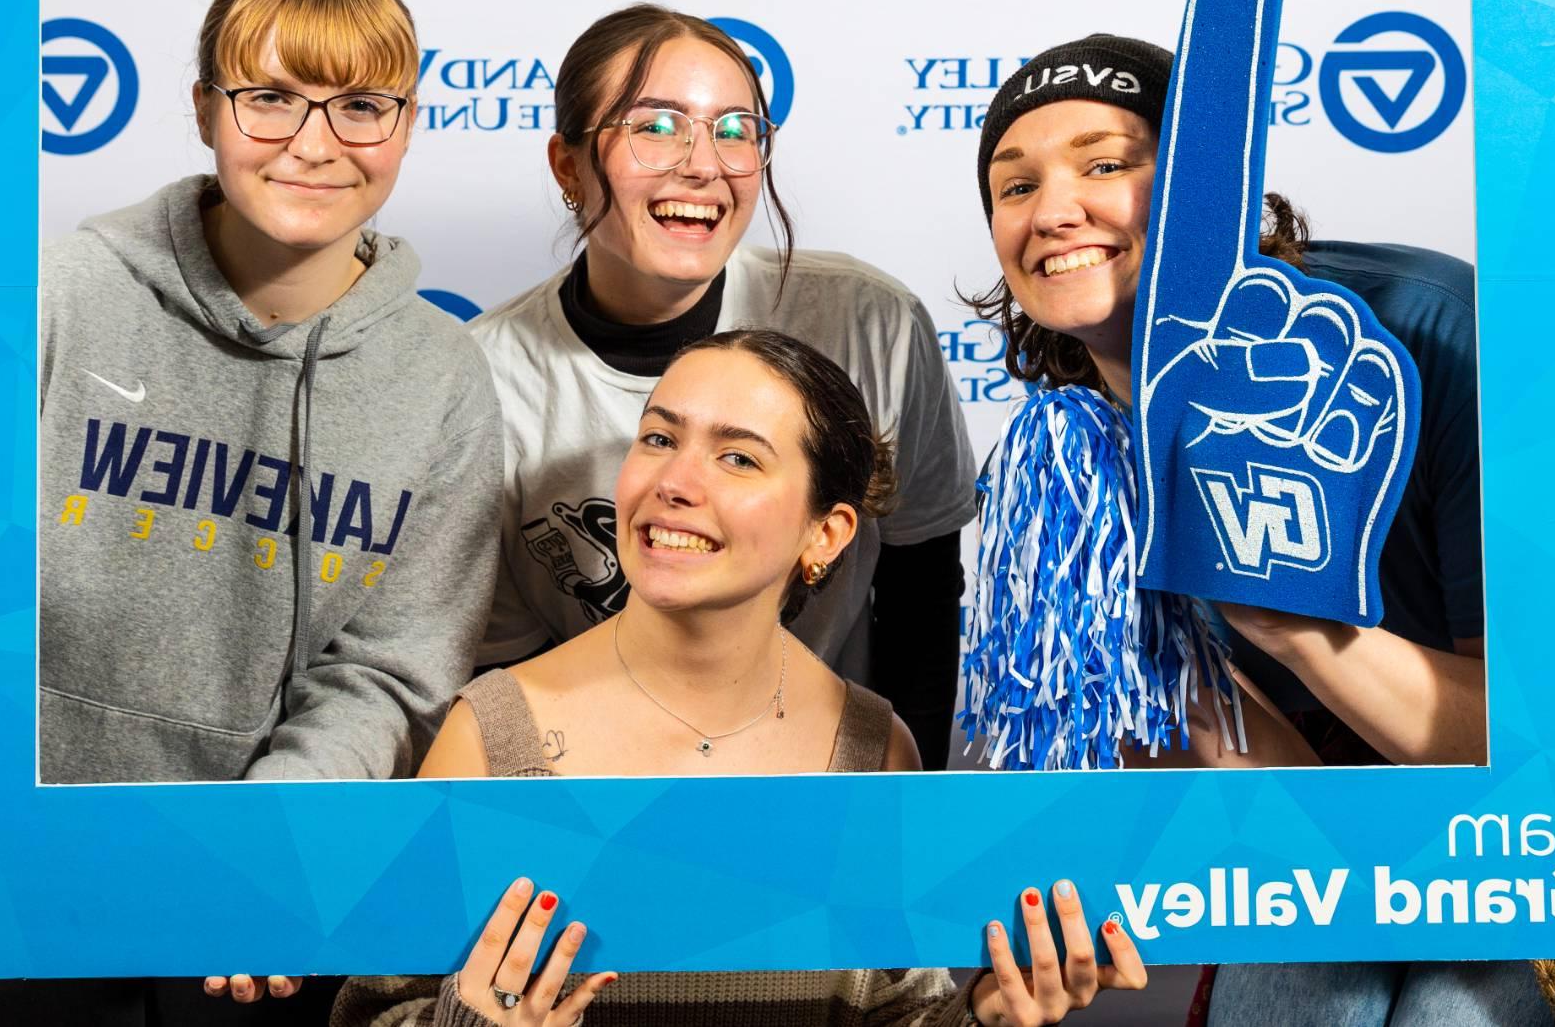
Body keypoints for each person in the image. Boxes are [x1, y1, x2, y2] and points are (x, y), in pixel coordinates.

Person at [0, 0, 503, 1026]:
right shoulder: (57, 293)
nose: (314, 144)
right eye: (269, 99)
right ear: (206, 107)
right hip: (8, 882)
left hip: (251, 920)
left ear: (405, 124)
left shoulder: (442, 378)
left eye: (360, 105)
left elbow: (388, 679)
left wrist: (260, 861)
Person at [970, 33, 1545, 1024]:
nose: (1053, 210)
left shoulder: (1425, 326)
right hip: (1328, 843)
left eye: (1105, 162)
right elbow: (1294, 827)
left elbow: (1540, 759)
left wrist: (1288, 622)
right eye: (1011, 187)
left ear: (1208, 179)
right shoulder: (1069, 461)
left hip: (1528, 841)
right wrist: (1179, 678)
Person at [335, 329, 1147, 1026]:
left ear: (824, 533)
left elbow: (895, 1012)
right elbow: (375, 1010)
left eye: (737, 456)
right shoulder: (492, 732)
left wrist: (984, 1015)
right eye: (659, 438)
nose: (675, 483)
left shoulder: (873, 748)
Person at [466, 5, 978, 769]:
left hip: (827, 783)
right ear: (568, 165)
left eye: (736, 129)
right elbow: (501, 668)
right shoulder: (486, 376)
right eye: (656, 125)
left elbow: (921, 601)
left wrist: (904, 819)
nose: (702, 163)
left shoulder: (876, 324)